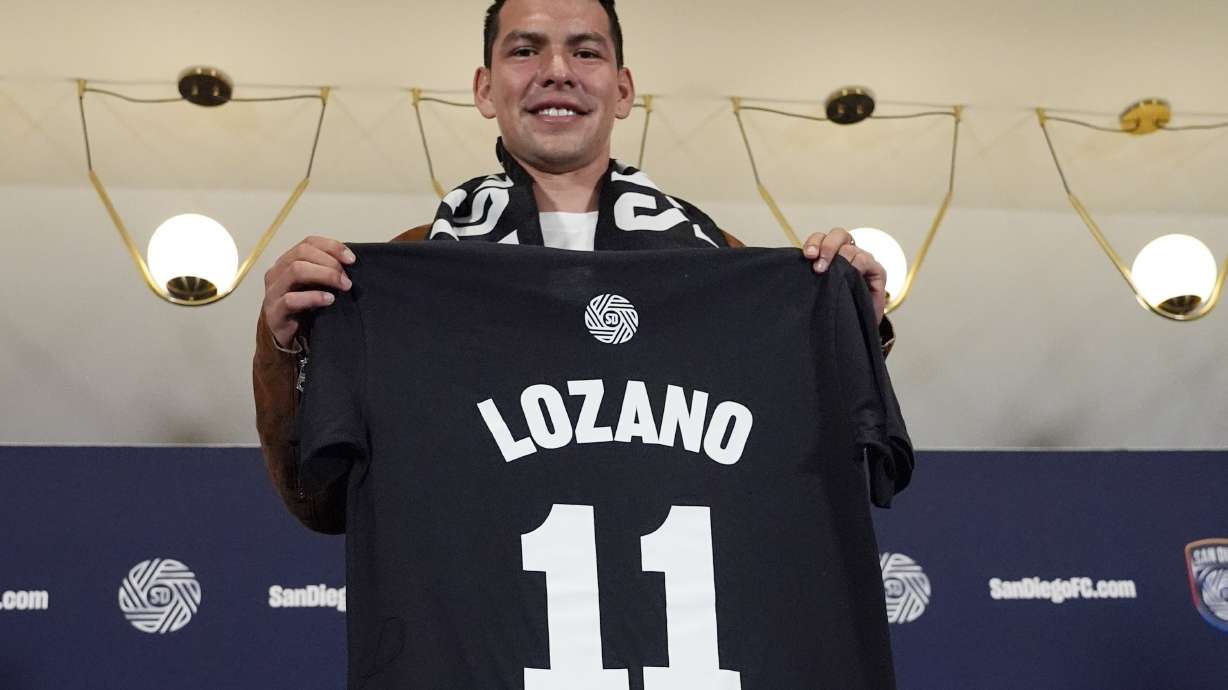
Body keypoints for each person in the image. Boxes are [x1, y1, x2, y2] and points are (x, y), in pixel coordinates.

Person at [253, 0, 895, 533]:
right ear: (485, 88)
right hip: (486, 643)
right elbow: (321, 502)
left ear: (622, 91)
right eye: (524, 49)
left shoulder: (721, 267)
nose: (556, 70)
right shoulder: (406, 270)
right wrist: (286, 345)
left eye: (585, 52)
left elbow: (809, 474)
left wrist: (848, 329)